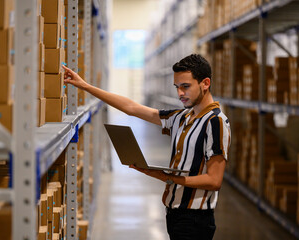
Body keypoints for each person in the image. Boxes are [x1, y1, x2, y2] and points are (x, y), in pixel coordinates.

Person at [62, 54, 231, 240]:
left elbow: (214, 180)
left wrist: (168, 177)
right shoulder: (181, 117)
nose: (180, 93)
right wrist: (84, 86)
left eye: (186, 87)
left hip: (195, 219)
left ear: (205, 83)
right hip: (174, 213)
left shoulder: (216, 122)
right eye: (177, 87)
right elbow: (131, 108)